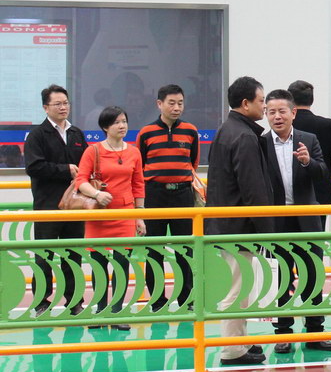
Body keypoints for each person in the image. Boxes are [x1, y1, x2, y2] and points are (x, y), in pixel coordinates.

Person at [260, 89, 331, 355]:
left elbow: (323, 173)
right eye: (271, 112)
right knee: (282, 276)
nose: (277, 117)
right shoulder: (261, 143)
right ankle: (283, 334)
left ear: (293, 113)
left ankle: (315, 332)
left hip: (307, 218)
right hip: (277, 220)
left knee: (312, 274)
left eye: (282, 111)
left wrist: (308, 162)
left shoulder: (308, 139)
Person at [207, 76, 273, 367]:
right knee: (237, 287)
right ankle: (232, 349)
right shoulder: (245, 137)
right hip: (239, 225)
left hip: (225, 222)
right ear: (246, 103)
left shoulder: (226, 130)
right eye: (261, 100)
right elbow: (253, 188)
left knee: (238, 285)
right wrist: (267, 229)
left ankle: (239, 341)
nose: (264, 106)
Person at [74, 105, 145, 330]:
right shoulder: (92, 151)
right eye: (116, 122)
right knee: (99, 264)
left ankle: (117, 311)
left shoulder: (134, 152)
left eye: (124, 121)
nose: (122, 126)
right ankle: (101, 310)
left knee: (122, 264)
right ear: (105, 127)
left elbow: (138, 184)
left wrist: (140, 216)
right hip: (99, 215)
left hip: (125, 213)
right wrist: (97, 194)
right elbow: (81, 180)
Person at [23, 84, 88, 315]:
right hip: (47, 206)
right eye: (57, 104)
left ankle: (75, 301)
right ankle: (42, 302)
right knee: (45, 256)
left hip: (75, 206)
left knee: (73, 255)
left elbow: (87, 163)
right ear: (45, 107)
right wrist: (66, 169)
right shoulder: (37, 135)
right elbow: (34, 167)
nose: (63, 107)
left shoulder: (76, 133)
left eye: (66, 103)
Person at [135, 84, 200, 311]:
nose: (176, 108)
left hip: (182, 195)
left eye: (180, 103)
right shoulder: (146, 132)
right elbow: (140, 165)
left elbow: (193, 163)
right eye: (171, 103)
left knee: (185, 249)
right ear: (159, 104)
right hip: (154, 194)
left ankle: (186, 299)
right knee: (154, 250)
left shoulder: (190, 131)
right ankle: (157, 301)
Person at [289, 80, 331, 208]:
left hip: (290, 192)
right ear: (312, 100)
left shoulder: (286, 125)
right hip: (320, 193)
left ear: (290, 100)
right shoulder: (326, 125)